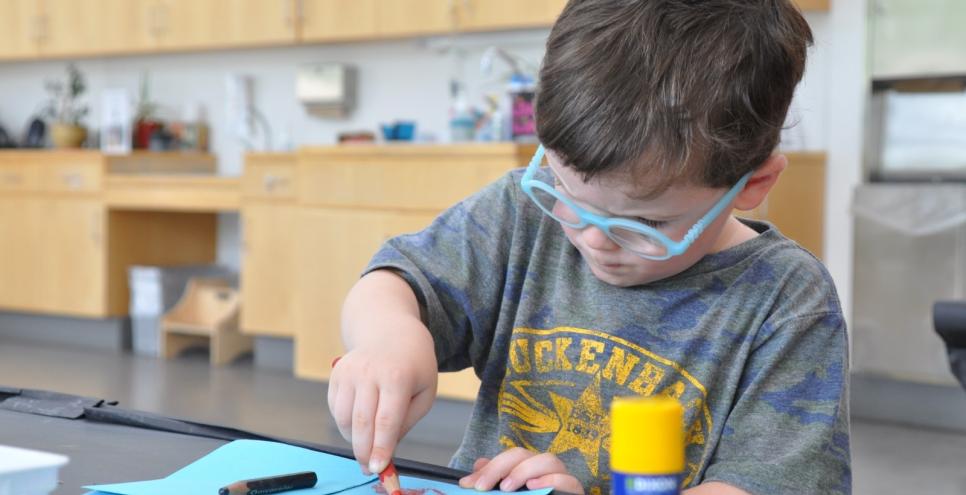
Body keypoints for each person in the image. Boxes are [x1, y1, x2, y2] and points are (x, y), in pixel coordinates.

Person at [327, 1, 850, 494]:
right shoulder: (522, 215)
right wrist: (388, 337)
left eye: (646, 221)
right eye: (567, 194)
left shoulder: (786, 300)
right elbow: (395, 281)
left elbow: (765, 483)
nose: (593, 238)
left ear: (752, 185)